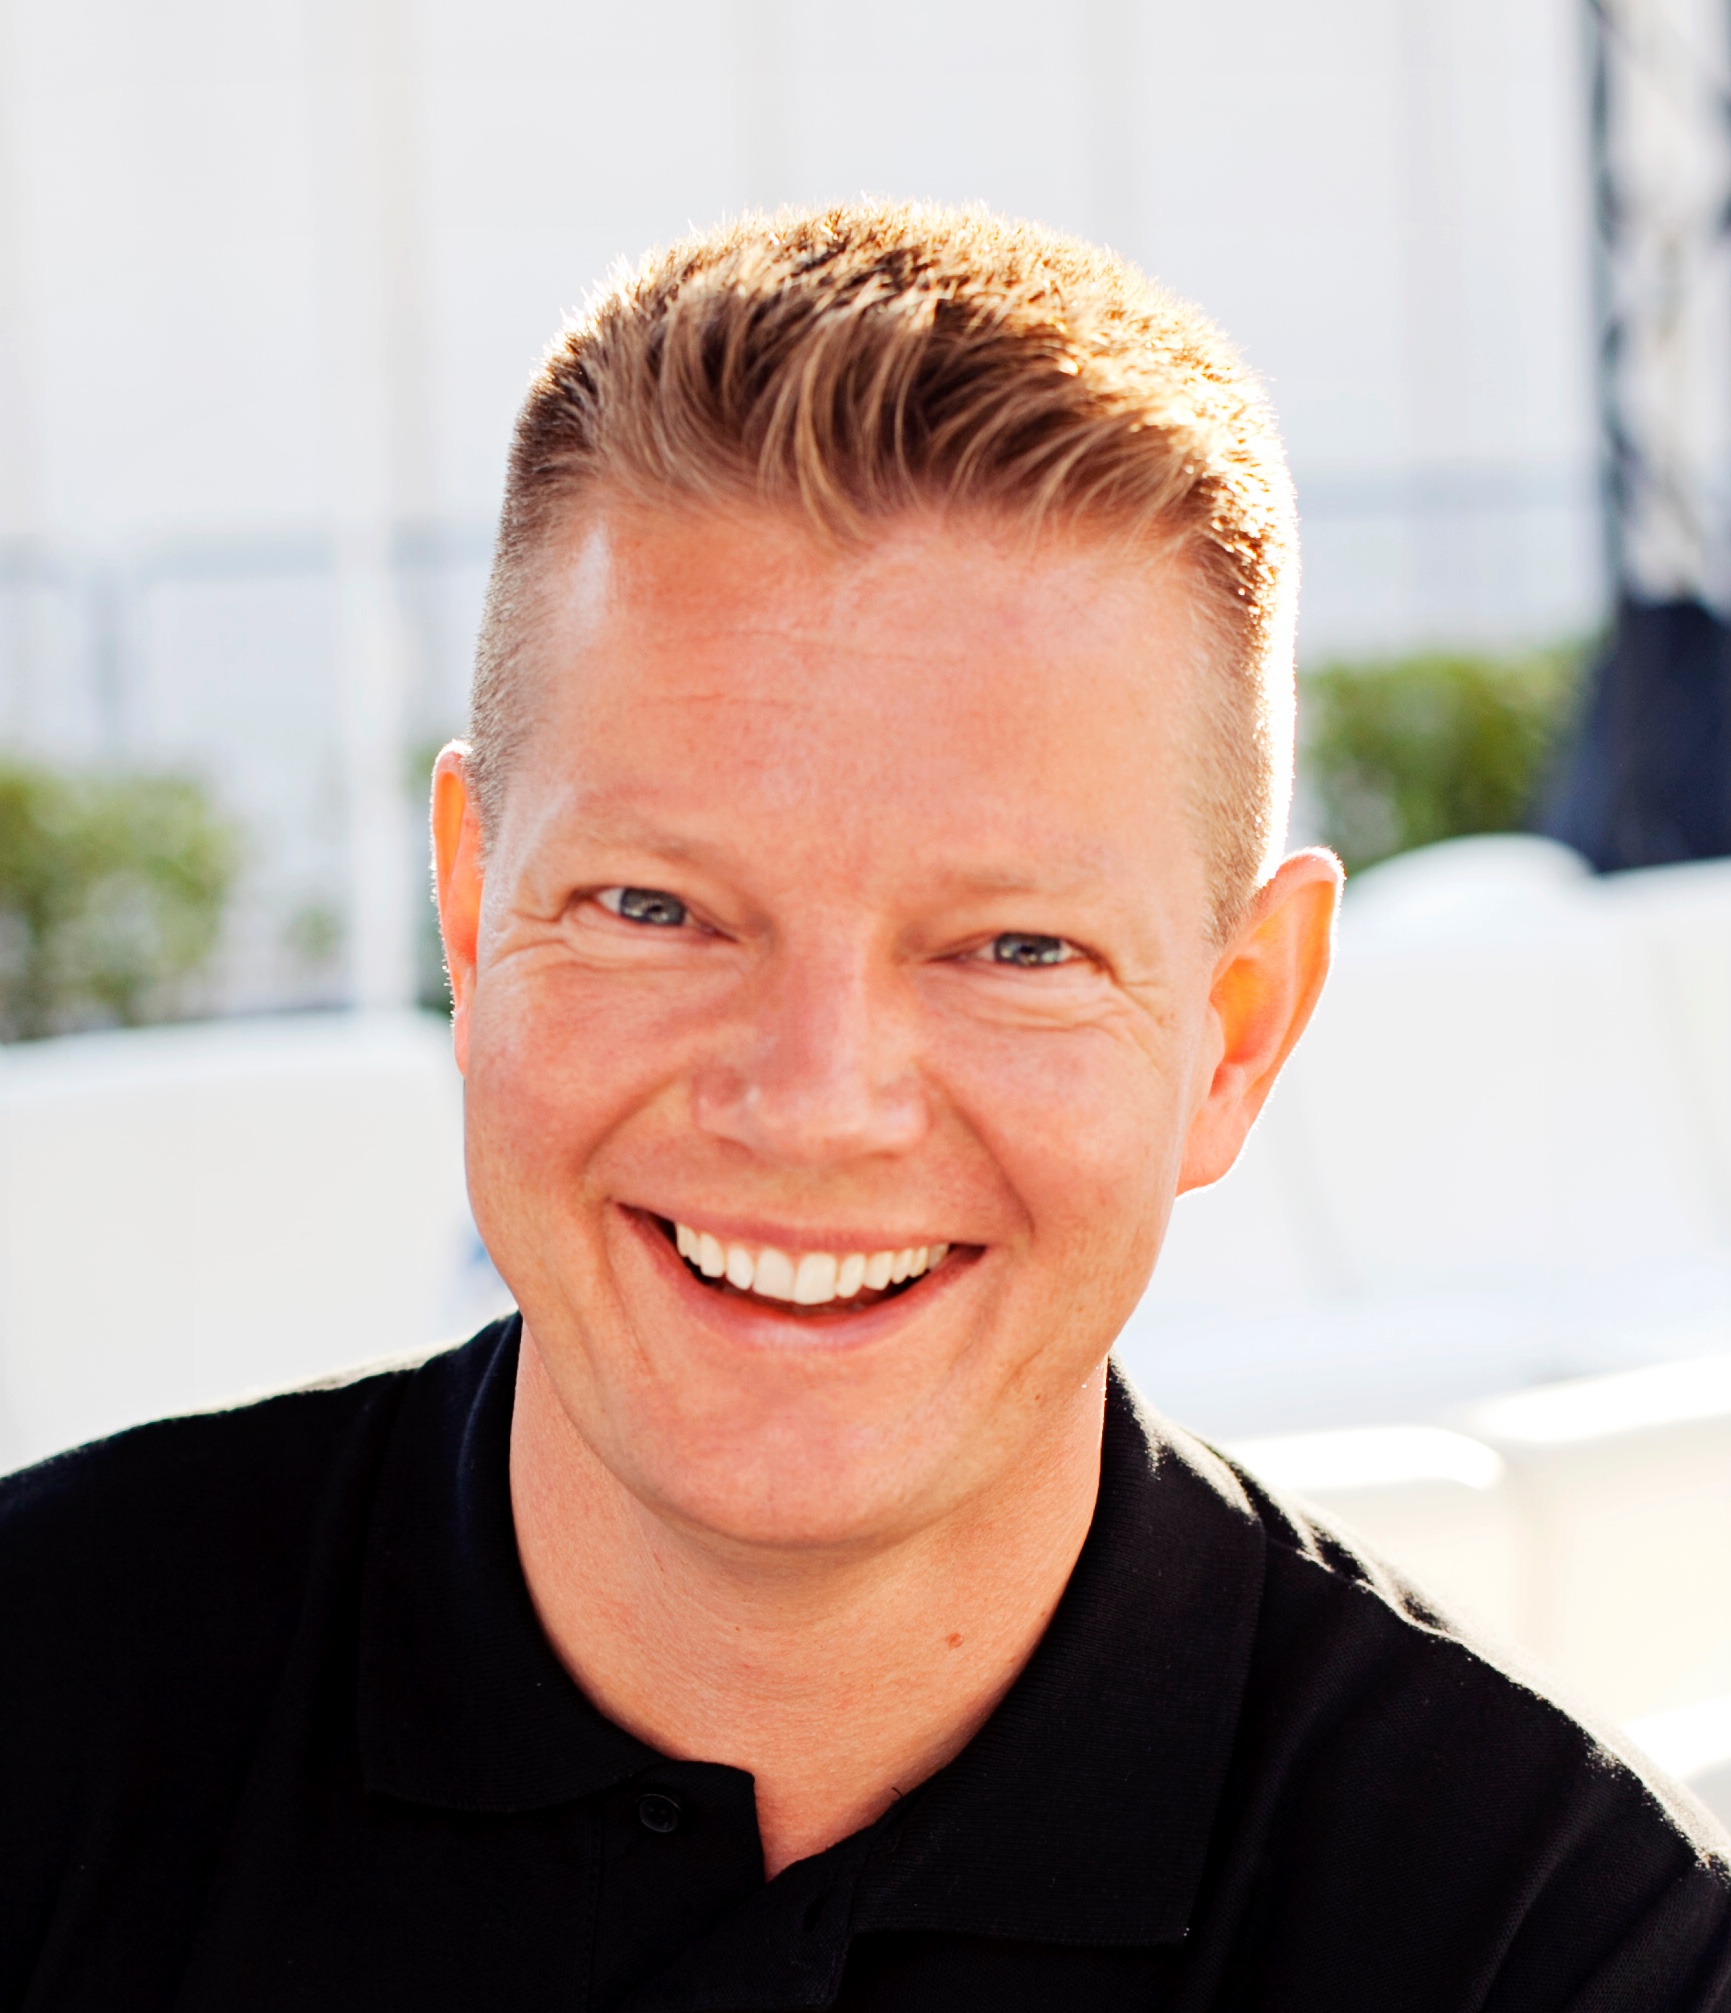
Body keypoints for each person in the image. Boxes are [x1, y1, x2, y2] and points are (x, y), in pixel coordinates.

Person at [2, 203, 1727, 2013]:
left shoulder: (1549, 1947)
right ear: (471, 912)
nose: (814, 1102)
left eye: (1014, 947)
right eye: (656, 907)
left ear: (1238, 1032)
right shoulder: (39, 1716)